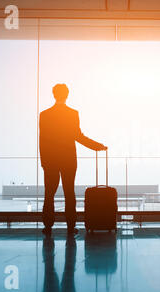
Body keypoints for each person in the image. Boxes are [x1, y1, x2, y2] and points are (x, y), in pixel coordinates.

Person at [39, 83, 107, 235]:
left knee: (49, 193)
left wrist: (44, 162)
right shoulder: (72, 113)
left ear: (54, 94)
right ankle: (71, 226)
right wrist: (96, 146)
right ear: (67, 95)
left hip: (50, 160)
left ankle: (48, 226)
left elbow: (42, 140)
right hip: (68, 159)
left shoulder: (45, 115)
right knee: (69, 192)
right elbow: (78, 136)